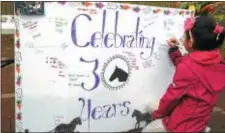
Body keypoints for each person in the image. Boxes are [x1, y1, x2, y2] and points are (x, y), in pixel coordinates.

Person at [142, 15, 225, 132]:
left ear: (190, 42)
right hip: (199, 119)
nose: (181, 38)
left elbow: (171, 98)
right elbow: (192, 69)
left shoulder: (187, 68)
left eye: (184, 35)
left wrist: (157, 115)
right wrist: (175, 51)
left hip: (182, 125)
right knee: (154, 107)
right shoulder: (217, 59)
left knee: (148, 128)